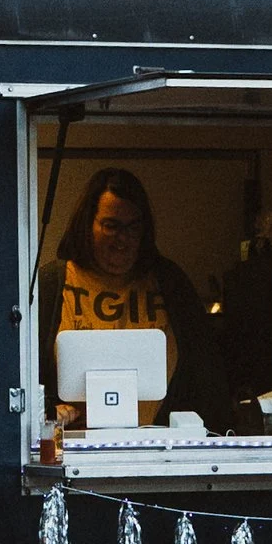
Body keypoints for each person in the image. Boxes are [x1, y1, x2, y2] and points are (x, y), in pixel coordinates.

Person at [51, 167, 225, 422]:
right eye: (111, 226)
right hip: (73, 446)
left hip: (158, 445)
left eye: (133, 227)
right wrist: (47, 411)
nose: (122, 240)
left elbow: (207, 374)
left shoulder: (170, 282)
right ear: (87, 224)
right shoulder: (53, 283)